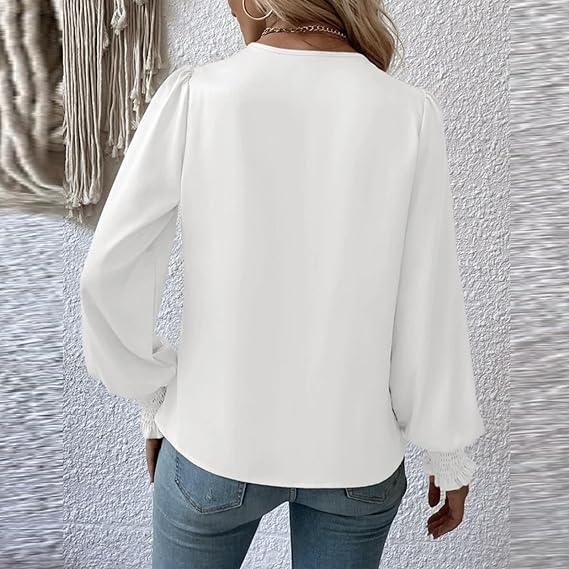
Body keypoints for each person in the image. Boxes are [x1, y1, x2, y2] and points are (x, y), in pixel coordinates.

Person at [79, 1, 486, 567]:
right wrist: (446, 450)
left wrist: (152, 393)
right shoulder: (408, 112)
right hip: (356, 459)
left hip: (214, 444)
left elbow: (110, 267)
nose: (230, 11)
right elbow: (430, 294)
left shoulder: (200, 95)